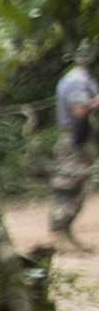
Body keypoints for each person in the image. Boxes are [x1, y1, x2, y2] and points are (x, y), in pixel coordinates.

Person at [55, 46, 93, 240]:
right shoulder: (77, 80)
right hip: (72, 140)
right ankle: (60, 234)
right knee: (69, 186)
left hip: (76, 138)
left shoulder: (81, 78)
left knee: (75, 187)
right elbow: (79, 110)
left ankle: (64, 234)